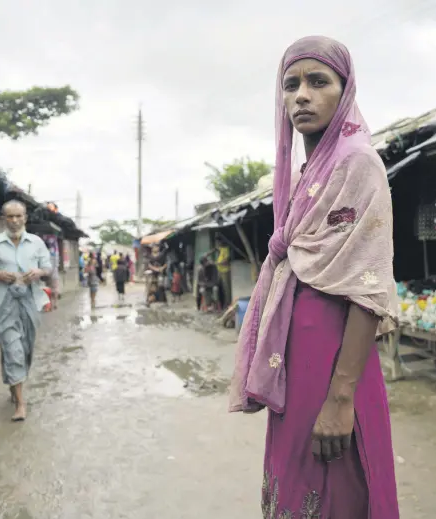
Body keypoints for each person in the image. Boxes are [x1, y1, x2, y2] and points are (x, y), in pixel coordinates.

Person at [229, 36, 399, 518]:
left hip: (335, 363)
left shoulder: (357, 163)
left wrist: (341, 397)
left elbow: (367, 288)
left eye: (317, 81)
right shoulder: (307, 174)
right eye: (290, 84)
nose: (300, 95)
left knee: (338, 488)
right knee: (297, 478)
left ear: (344, 91)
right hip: (296, 361)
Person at [0, 200, 52, 422]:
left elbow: (48, 269)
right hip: (5, 303)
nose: (14, 220)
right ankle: (21, 403)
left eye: (18, 216)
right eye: (9, 216)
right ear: (3, 219)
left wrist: (39, 272)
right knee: (13, 349)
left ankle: (14, 385)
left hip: (30, 301)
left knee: (26, 348)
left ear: (25, 218)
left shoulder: (37, 242)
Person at [214, 236, 231, 308]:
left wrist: (217, 263)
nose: (217, 244)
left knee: (226, 288)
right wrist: (208, 253)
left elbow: (226, 261)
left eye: (218, 242)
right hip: (220, 271)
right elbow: (215, 249)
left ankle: (228, 303)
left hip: (225, 271)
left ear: (221, 242)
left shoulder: (226, 249)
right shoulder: (220, 249)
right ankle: (222, 303)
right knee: (221, 287)